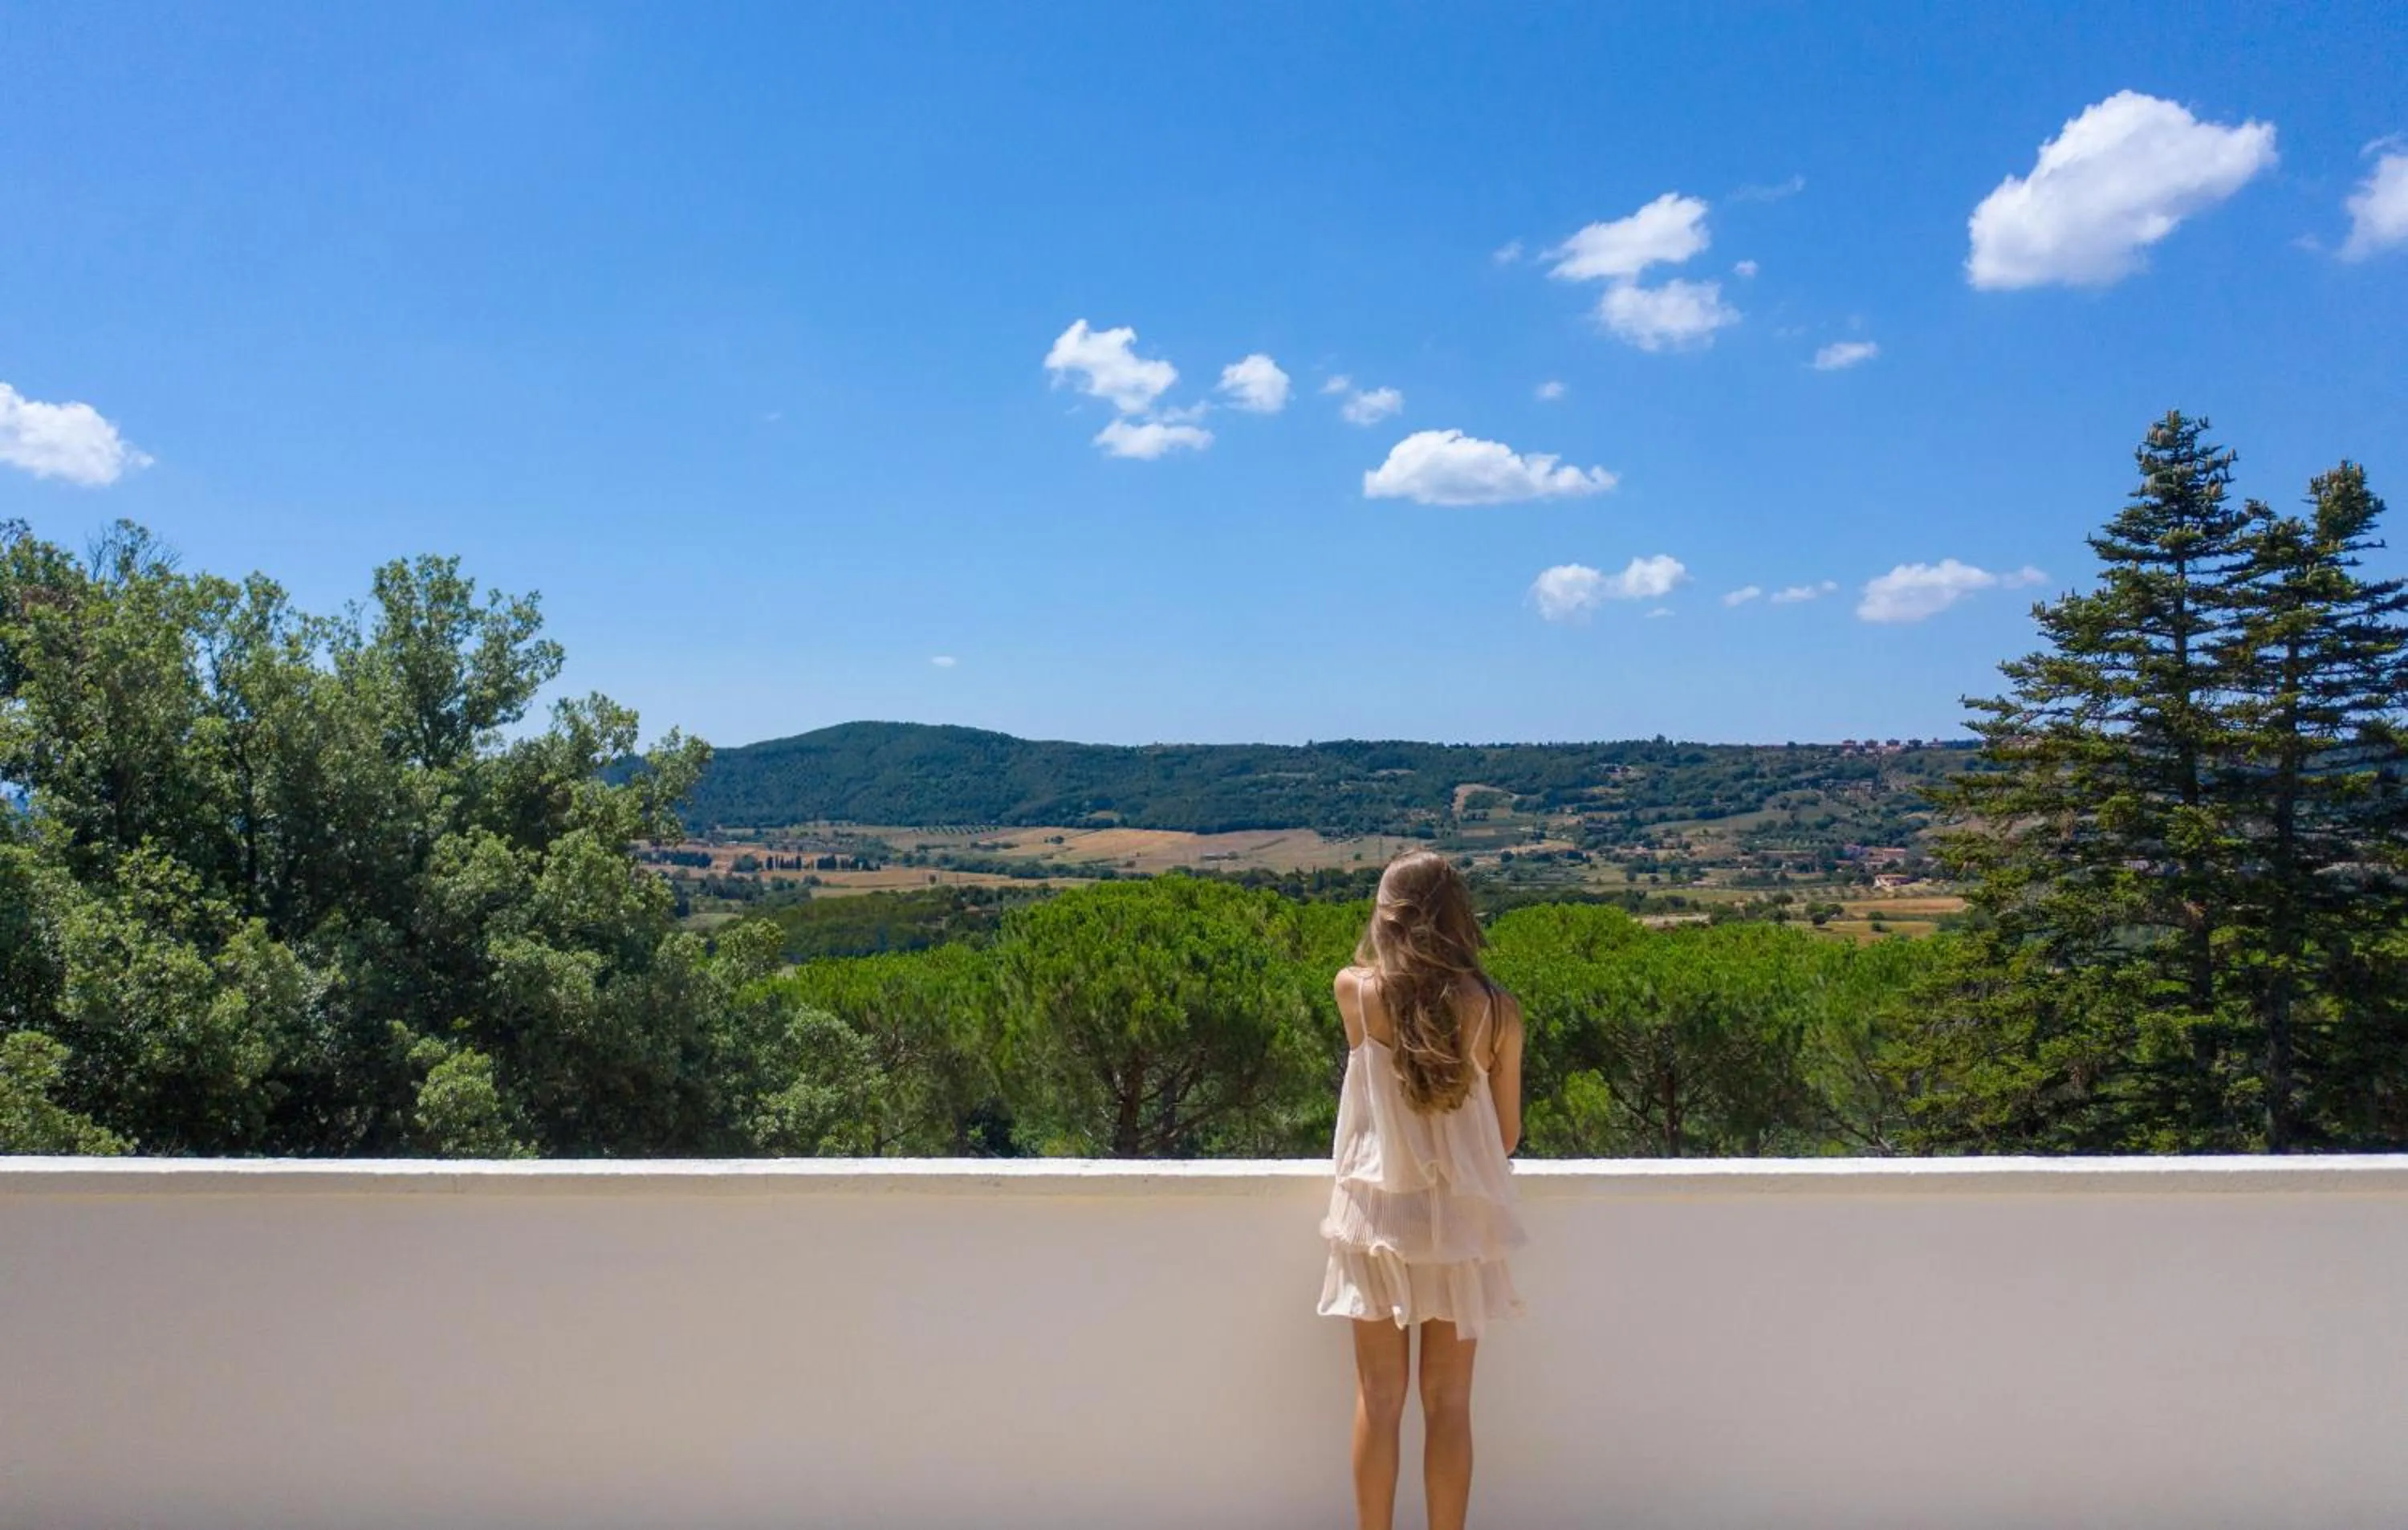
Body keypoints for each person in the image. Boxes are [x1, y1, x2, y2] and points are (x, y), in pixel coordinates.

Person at [1319, 850, 1527, 1530]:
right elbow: (1506, 1137)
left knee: (1379, 1399)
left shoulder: (1356, 992)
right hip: (1459, 1222)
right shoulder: (1497, 1011)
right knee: (1449, 1403)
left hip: (1376, 1217)